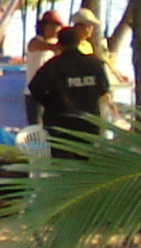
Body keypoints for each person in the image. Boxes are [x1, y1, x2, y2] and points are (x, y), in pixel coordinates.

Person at [30, 24, 111, 154]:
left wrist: (52, 104)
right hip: (89, 124)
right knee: (86, 165)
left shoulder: (53, 65)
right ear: (79, 41)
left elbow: (35, 89)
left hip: (60, 125)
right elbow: (103, 89)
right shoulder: (94, 64)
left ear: (59, 43)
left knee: (63, 165)